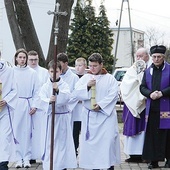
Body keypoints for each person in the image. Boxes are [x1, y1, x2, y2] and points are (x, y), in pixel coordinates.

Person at [71, 53, 121, 170]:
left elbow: (113, 95)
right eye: (90, 66)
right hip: (90, 116)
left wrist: (101, 105)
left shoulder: (110, 79)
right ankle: (93, 167)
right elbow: (76, 93)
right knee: (91, 147)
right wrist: (87, 87)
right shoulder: (85, 78)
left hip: (105, 117)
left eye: (95, 66)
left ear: (101, 65)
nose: (92, 69)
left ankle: (108, 167)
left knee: (107, 143)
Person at [39, 60, 77, 170]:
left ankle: (61, 166)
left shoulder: (64, 85)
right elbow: (41, 99)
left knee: (61, 145)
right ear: (48, 72)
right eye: (51, 71)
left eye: (56, 71)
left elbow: (66, 98)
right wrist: (49, 101)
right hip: (50, 119)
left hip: (61, 120)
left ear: (60, 71)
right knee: (50, 145)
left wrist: (58, 90)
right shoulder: (45, 86)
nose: (53, 74)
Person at [140, 45, 170, 169]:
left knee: (167, 135)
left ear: (163, 57)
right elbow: (142, 87)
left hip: (166, 107)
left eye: (159, 57)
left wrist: (162, 93)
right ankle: (154, 160)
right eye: (154, 57)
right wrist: (149, 94)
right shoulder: (147, 71)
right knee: (152, 135)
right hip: (152, 108)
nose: (156, 59)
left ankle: (169, 159)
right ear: (151, 57)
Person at [120, 47, 151, 163]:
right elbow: (126, 84)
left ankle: (144, 154)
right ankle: (132, 154)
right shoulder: (131, 70)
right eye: (137, 56)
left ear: (147, 57)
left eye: (141, 56)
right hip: (132, 103)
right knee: (132, 127)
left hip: (144, 103)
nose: (138, 58)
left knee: (143, 128)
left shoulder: (150, 69)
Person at [12, 48, 40, 168]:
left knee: (28, 131)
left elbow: (37, 91)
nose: (22, 60)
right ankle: (18, 158)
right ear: (16, 58)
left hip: (28, 103)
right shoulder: (12, 72)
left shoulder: (32, 73)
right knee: (17, 130)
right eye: (20, 57)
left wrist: (34, 105)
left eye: (24, 57)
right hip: (16, 104)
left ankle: (27, 157)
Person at [27, 50, 49, 162]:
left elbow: (44, 90)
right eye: (31, 59)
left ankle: (39, 155)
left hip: (39, 107)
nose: (33, 62)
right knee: (27, 132)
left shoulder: (44, 72)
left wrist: (36, 105)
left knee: (38, 133)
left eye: (35, 59)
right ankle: (28, 156)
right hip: (26, 105)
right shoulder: (25, 71)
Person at [0, 60, 17, 170]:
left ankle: (3, 163)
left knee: (4, 137)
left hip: (5, 110)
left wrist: (6, 100)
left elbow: (15, 89)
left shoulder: (9, 71)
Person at [71, 57, 87, 156]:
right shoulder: (73, 78)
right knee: (75, 133)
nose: (77, 68)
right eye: (76, 65)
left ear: (85, 66)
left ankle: (85, 153)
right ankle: (74, 151)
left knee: (85, 133)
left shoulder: (88, 78)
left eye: (80, 65)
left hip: (84, 110)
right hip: (75, 110)